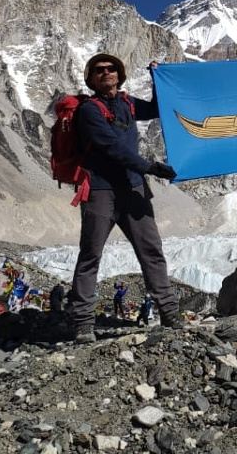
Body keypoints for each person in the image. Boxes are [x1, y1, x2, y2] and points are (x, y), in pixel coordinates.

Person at [67, 53, 183, 343]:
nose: (105, 73)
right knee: (91, 254)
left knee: (151, 250)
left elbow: (158, 108)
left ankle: (170, 314)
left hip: (133, 188)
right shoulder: (89, 111)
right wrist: (151, 167)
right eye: (99, 70)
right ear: (91, 79)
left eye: (111, 69)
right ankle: (83, 324)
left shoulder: (128, 104)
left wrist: (157, 76)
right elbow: (110, 146)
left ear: (119, 75)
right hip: (101, 189)